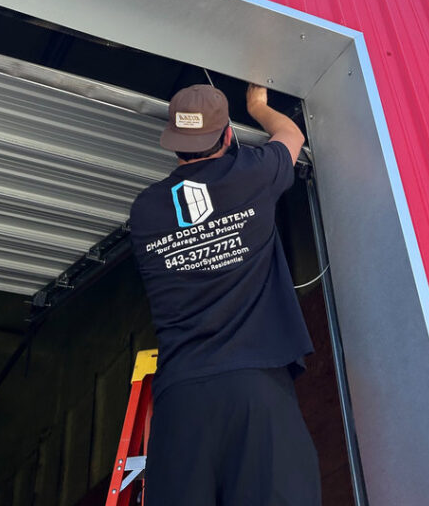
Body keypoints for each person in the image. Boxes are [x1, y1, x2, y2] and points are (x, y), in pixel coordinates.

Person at [129, 82, 321, 506]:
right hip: (256, 389)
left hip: (181, 401)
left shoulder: (144, 211)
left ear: (174, 143)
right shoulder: (251, 174)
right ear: (228, 136)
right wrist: (258, 105)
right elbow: (291, 136)